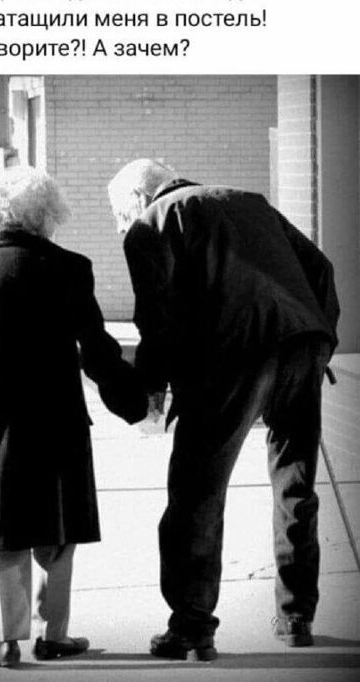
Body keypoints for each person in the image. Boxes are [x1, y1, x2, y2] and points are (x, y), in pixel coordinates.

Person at [108, 158, 340, 661]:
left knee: (197, 493)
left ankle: (192, 628)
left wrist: (152, 392)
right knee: (296, 485)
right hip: (302, 344)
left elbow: (156, 319)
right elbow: (321, 268)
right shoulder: (249, 201)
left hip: (230, 356)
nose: (121, 228)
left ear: (136, 200)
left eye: (118, 217)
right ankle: (296, 615)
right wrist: (322, 339)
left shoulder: (152, 222)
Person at [0, 165, 147, 668]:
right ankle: (54, 635)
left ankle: (6, 642)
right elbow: (97, 349)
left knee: (0, 529)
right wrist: (133, 400)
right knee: (58, 527)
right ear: (48, 214)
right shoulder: (71, 268)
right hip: (58, 417)